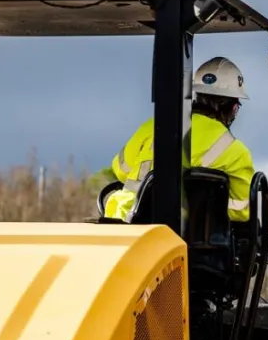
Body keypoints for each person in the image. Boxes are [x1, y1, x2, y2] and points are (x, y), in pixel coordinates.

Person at [104, 56, 254, 223]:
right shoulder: (236, 151)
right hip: (190, 238)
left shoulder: (152, 126)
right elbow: (241, 211)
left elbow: (120, 169)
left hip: (125, 225)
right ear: (233, 109)